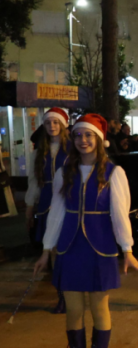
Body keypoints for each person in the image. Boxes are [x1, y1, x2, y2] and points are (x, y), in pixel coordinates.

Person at [32, 114, 138, 348]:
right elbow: (57, 214)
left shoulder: (114, 173)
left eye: (89, 136)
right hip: (70, 247)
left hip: (101, 247)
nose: (83, 140)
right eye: (78, 135)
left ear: (99, 140)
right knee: (73, 311)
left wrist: (127, 249)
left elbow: (120, 215)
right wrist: (47, 249)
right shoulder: (65, 172)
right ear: (72, 140)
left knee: (99, 308)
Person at [26, 108, 71, 314]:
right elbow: (34, 182)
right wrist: (29, 208)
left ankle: (73, 293)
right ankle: (61, 296)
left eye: (56, 122)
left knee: (68, 250)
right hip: (46, 202)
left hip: (68, 201)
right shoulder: (38, 152)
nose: (52, 126)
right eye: (48, 123)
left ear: (62, 125)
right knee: (51, 249)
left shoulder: (73, 149)